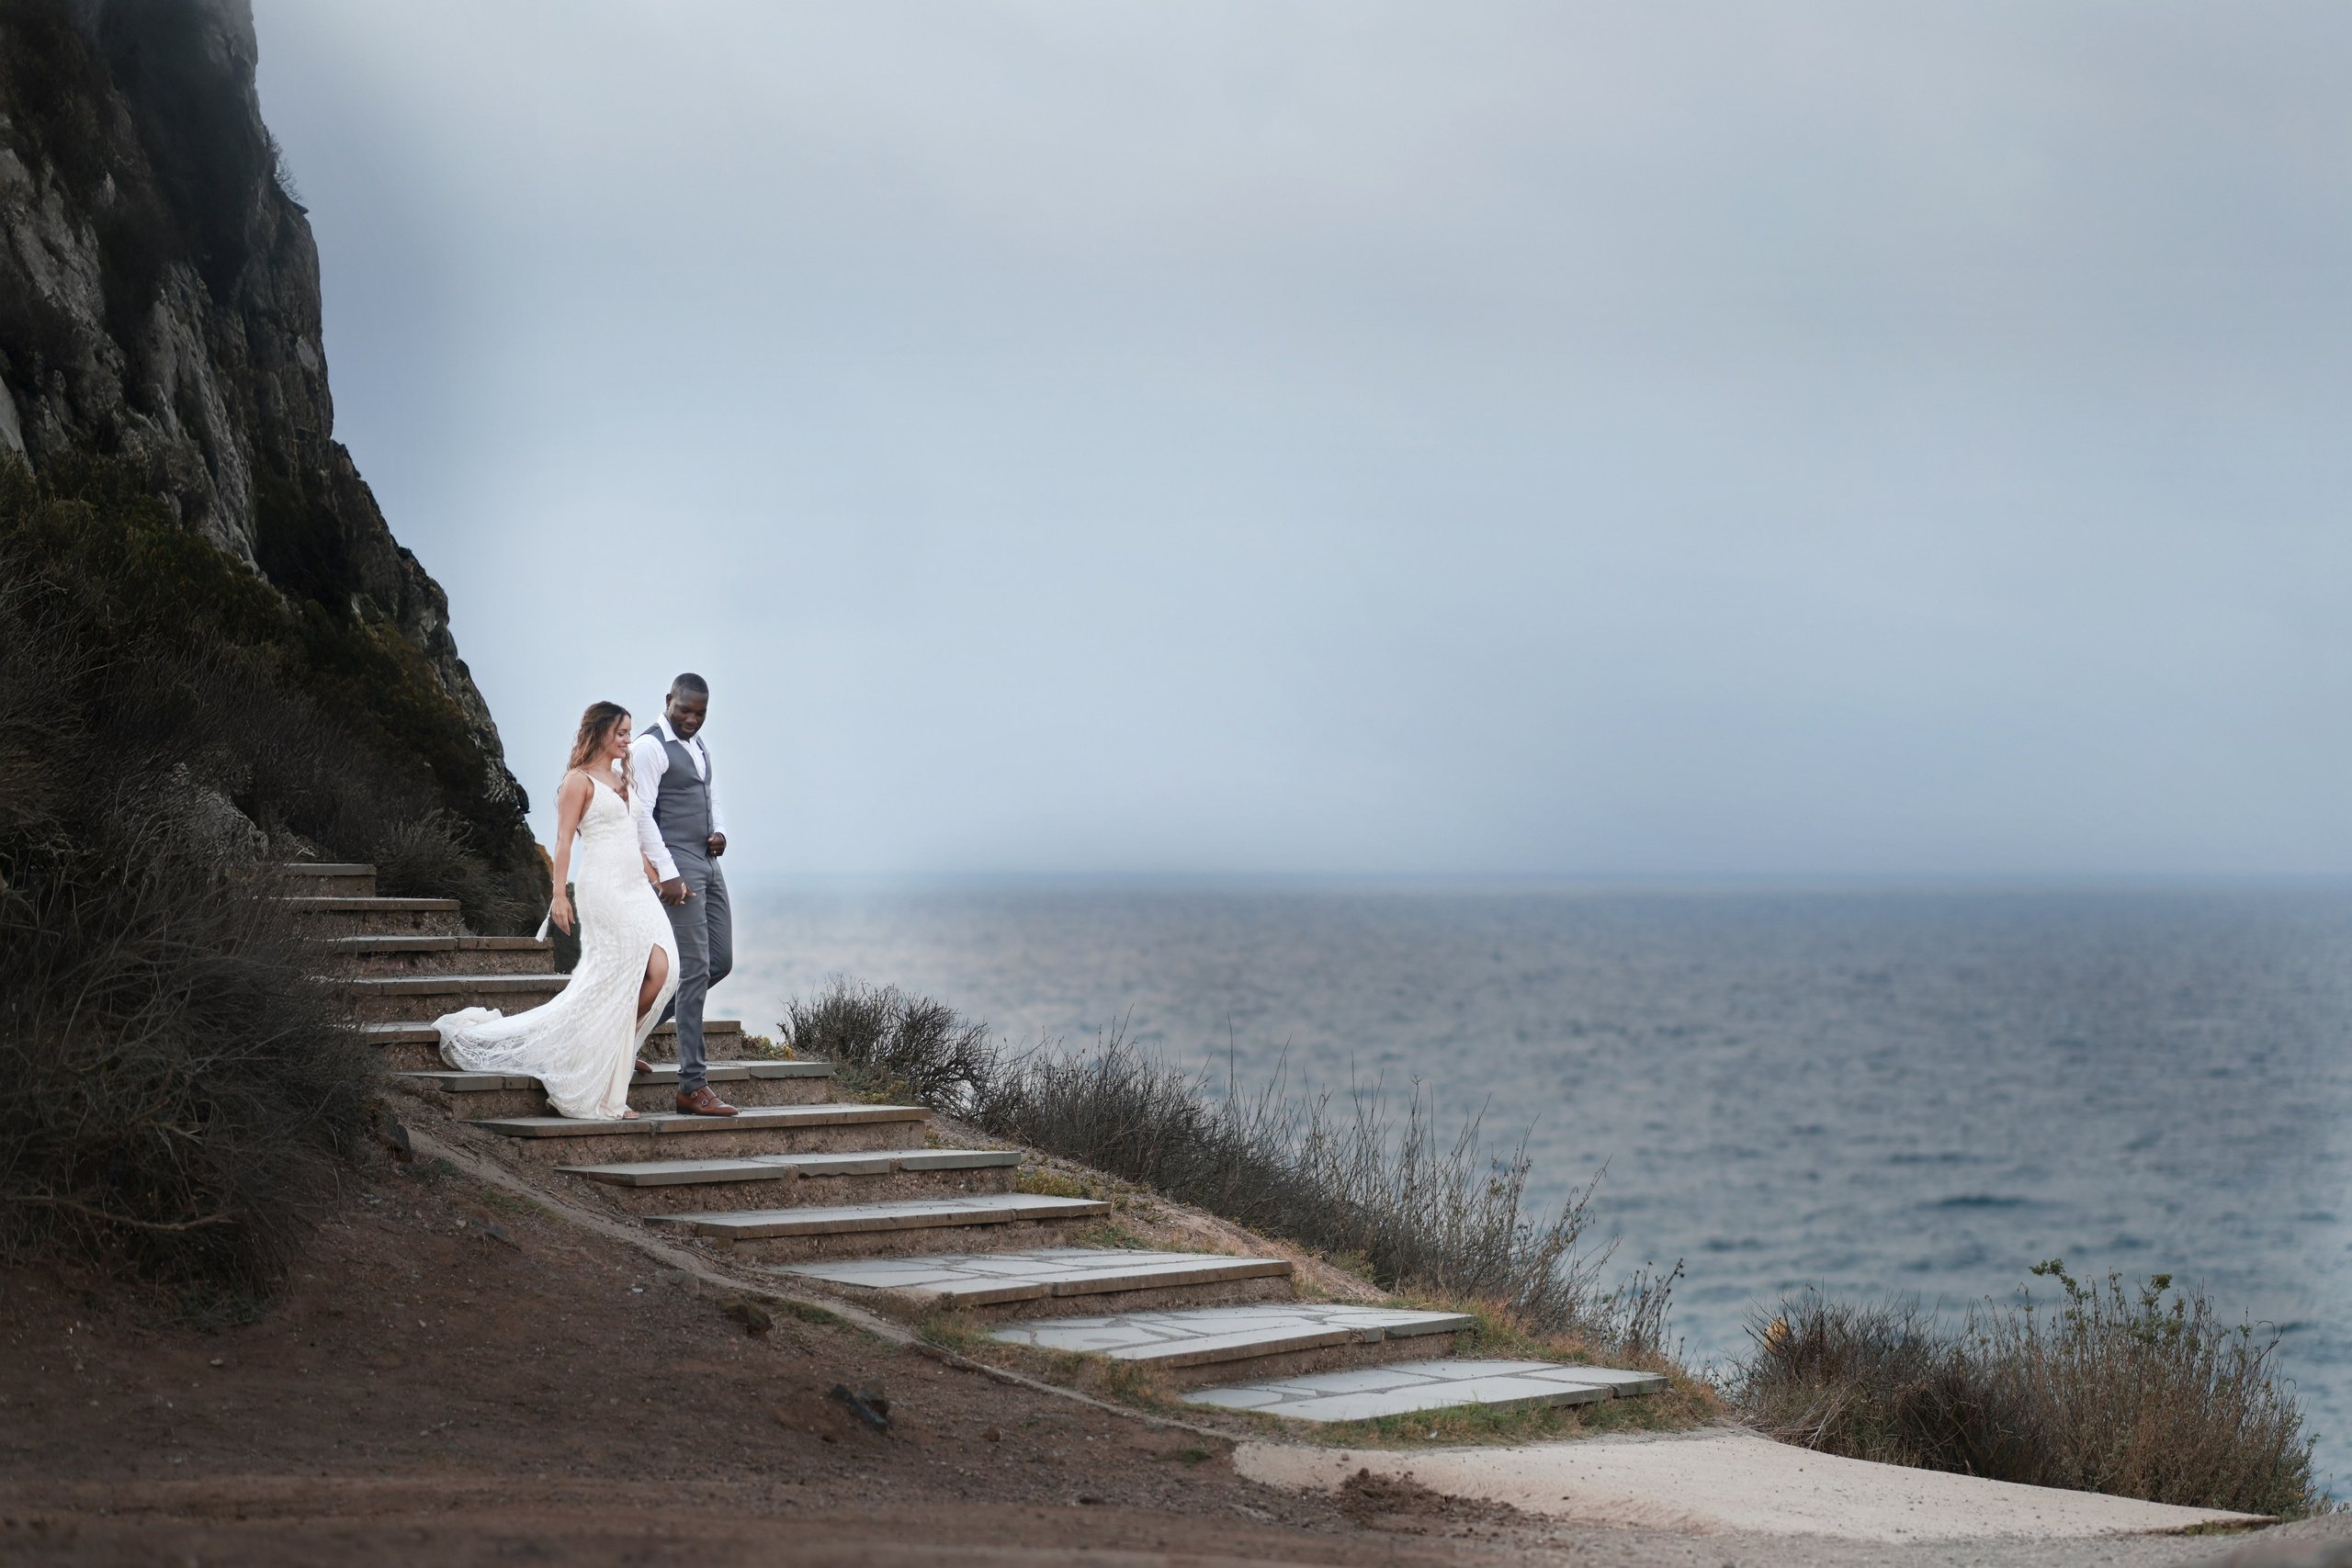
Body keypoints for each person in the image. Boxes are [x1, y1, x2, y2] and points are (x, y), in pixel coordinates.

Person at [433, 704, 680, 1120]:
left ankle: (604, 1047)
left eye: (629, 733)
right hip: (602, 889)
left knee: (667, 971)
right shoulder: (577, 781)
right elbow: (564, 841)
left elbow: (631, 837)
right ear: (601, 732)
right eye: (621, 732)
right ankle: (599, 1079)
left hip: (636, 887)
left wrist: (659, 878)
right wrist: (558, 896)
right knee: (617, 980)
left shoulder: (623, 779)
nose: (627, 740)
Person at [629, 672, 737, 1116]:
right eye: (685, 710)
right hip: (678, 869)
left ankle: (628, 1033)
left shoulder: (699, 744)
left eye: (701, 713)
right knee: (693, 969)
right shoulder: (649, 747)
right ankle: (692, 1086)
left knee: (719, 962)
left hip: (708, 863)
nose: (692, 719)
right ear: (668, 700)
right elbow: (641, 817)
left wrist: (720, 832)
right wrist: (668, 875)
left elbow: (710, 793)